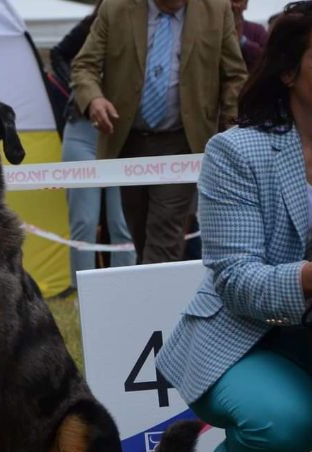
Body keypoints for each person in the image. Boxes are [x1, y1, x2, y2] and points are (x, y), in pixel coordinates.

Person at [156, 0, 312, 452]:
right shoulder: (236, 152)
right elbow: (236, 280)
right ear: (289, 71)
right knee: (282, 423)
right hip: (245, 336)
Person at [70, 0, 248, 265]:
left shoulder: (216, 9)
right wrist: (94, 99)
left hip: (182, 143)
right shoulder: (116, 8)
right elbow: (84, 66)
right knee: (140, 235)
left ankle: (151, 300)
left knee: (164, 235)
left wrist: (232, 130)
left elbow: (235, 76)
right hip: (128, 142)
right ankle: (155, 293)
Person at [51, 0, 136, 290]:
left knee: (122, 222)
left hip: (123, 133)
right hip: (82, 130)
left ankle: (126, 289)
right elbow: (59, 54)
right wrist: (82, 94)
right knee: (84, 222)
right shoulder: (93, 22)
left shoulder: (148, 24)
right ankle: (82, 292)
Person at [231, 0, 269, 71]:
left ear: (246, 4)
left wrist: (242, 41)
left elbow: (267, 58)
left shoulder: (257, 30)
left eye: (236, 1)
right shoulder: (213, 31)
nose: (232, 5)